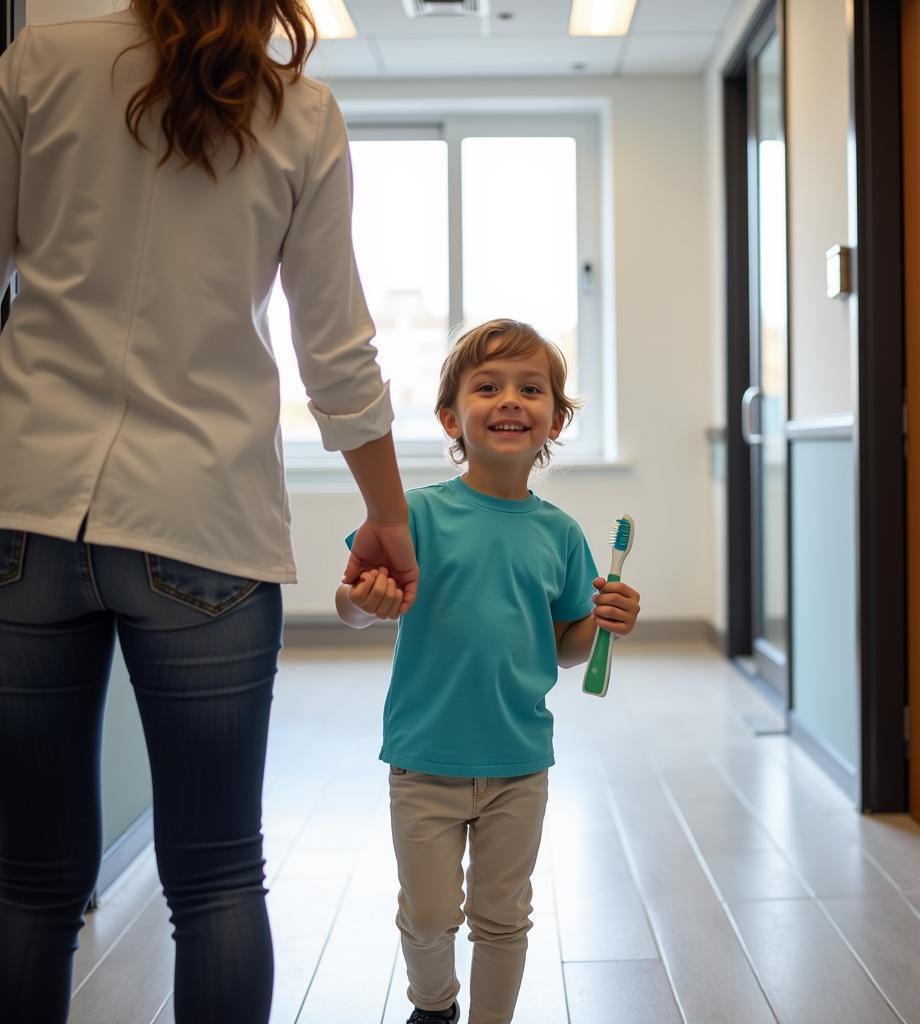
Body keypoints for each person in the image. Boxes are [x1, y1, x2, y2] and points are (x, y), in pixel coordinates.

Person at [0, 3, 417, 1022]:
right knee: (219, 878)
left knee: (24, 880)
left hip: (26, 506)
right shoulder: (301, 114)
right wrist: (388, 515)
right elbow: (335, 350)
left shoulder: (42, 61)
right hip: (204, 524)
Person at [335, 319, 641, 1024]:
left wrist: (602, 621)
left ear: (555, 420)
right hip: (423, 759)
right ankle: (433, 1005)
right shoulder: (413, 514)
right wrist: (362, 601)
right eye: (488, 387)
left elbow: (565, 647)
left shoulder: (561, 534)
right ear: (451, 416)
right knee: (429, 914)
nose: (511, 400)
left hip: (518, 760)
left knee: (504, 917)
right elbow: (347, 603)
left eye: (531, 389)